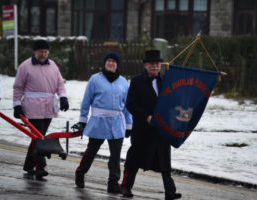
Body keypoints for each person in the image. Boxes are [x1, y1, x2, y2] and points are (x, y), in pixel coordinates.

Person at [121, 50, 182, 200]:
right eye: (151, 64)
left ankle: (170, 192)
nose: (155, 66)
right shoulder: (136, 81)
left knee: (165, 161)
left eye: (157, 63)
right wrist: (145, 117)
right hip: (142, 129)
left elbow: (172, 102)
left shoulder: (166, 80)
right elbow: (130, 104)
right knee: (134, 159)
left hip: (161, 129)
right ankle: (126, 187)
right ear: (146, 65)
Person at [73, 52, 132, 194]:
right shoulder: (95, 79)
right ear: (105, 63)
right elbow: (86, 101)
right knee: (91, 151)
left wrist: (129, 125)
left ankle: (113, 183)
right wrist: (82, 120)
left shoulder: (123, 82)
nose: (111, 63)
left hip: (117, 123)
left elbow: (127, 106)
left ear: (117, 65)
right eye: (108, 61)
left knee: (115, 156)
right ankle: (80, 173)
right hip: (98, 122)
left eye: (114, 61)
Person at [13, 39, 69, 180]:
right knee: (39, 138)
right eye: (40, 52)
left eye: (45, 51)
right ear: (35, 52)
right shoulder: (25, 66)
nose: (43, 54)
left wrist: (63, 98)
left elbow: (60, 84)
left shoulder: (53, 66)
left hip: (48, 107)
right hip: (32, 107)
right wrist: (17, 105)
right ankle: (40, 167)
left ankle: (28, 165)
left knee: (38, 137)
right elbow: (18, 87)